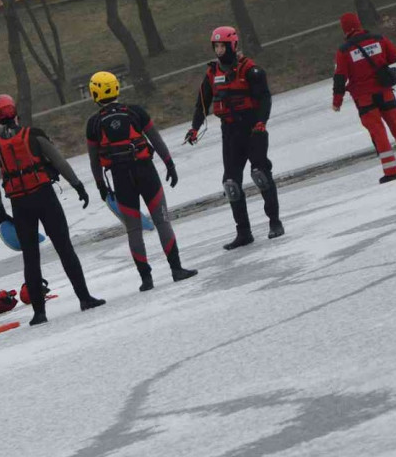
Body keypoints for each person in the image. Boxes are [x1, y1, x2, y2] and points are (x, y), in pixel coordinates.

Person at [0, 94, 106, 325]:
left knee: (31, 259)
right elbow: (59, 161)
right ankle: (84, 298)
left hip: (20, 205)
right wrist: (78, 185)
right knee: (65, 249)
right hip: (45, 198)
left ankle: (39, 313)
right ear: (15, 110)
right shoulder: (34, 135)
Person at [84, 71, 198, 291]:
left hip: (120, 178)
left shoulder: (93, 123)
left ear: (94, 93)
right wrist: (169, 164)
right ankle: (176, 269)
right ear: (116, 88)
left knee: (133, 230)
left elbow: (94, 160)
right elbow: (155, 138)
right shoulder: (135, 112)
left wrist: (101, 186)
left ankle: (146, 279)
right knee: (162, 221)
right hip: (146, 172)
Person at [184, 26, 284, 250]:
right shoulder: (212, 73)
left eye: (223, 46)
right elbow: (202, 103)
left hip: (252, 129)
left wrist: (261, 122)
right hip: (230, 132)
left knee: (260, 174)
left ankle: (275, 222)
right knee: (231, 183)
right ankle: (243, 232)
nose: (219, 50)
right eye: (216, 46)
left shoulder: (251, 70)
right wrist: (194, 128)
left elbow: (265, 98)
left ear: (233, 45)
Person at [332, 12, 396, 183]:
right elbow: (394, 56)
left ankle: (391, 172)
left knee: (379, 133)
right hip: (385, 92)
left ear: (344, 29)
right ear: (359, 23)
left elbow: (340, 78)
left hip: (364, 99)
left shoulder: (344, 51)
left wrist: (337, 101)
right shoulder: (378, 38)